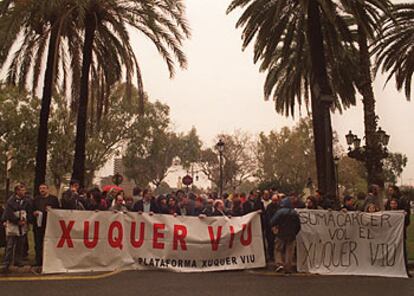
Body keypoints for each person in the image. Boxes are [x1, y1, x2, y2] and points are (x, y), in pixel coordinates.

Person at [1, 184, 32, 273]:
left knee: (20, 244)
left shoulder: (27, 201)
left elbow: (29, 211)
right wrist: (16, 220)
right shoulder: (11, 201)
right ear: (17, 191)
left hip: (23, 225)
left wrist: (26, 220)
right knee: (10, 245)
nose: (23, 192)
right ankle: (6, 263)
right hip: (13, 225)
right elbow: (8, 213)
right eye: (21, 190)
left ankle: (18, 260)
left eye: (24, 190)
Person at [32, 184, 59, 266]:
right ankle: (38, 261)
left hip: (49, 224)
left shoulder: (53, 199)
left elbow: (58, 210)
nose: (42, 190)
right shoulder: (36, 199)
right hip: (38, 224)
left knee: (50, 242)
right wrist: (34, 213)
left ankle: (50, 259)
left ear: (48, 189)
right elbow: (32, 210)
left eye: (44, 188)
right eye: (40, 188)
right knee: (38, 243)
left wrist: (51, 210)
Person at [270, 205, 301, 274]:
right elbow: (298, 225)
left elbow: (272, 221)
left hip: (281, 233)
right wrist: (294, 233)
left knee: (278, 249)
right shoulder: (294, 213)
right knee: (289, 251)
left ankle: (279, 264)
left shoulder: (280, 212)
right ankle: (288, 267)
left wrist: (276, 229)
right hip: (291, 235)